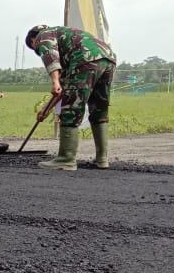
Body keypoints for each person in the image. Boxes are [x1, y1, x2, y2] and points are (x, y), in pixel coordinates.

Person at [25, 24, 117, 170]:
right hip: (107, 58)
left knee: (70, 109)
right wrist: (45, 110)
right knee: (99, 109)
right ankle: (102, 159)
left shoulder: (43, 36)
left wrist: (54, 81)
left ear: (33, 40)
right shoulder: (65, 36)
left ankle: (66, 159)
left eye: (34, 48)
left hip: (85, 59)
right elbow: (62, 89)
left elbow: (50, 56)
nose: (37, 50)